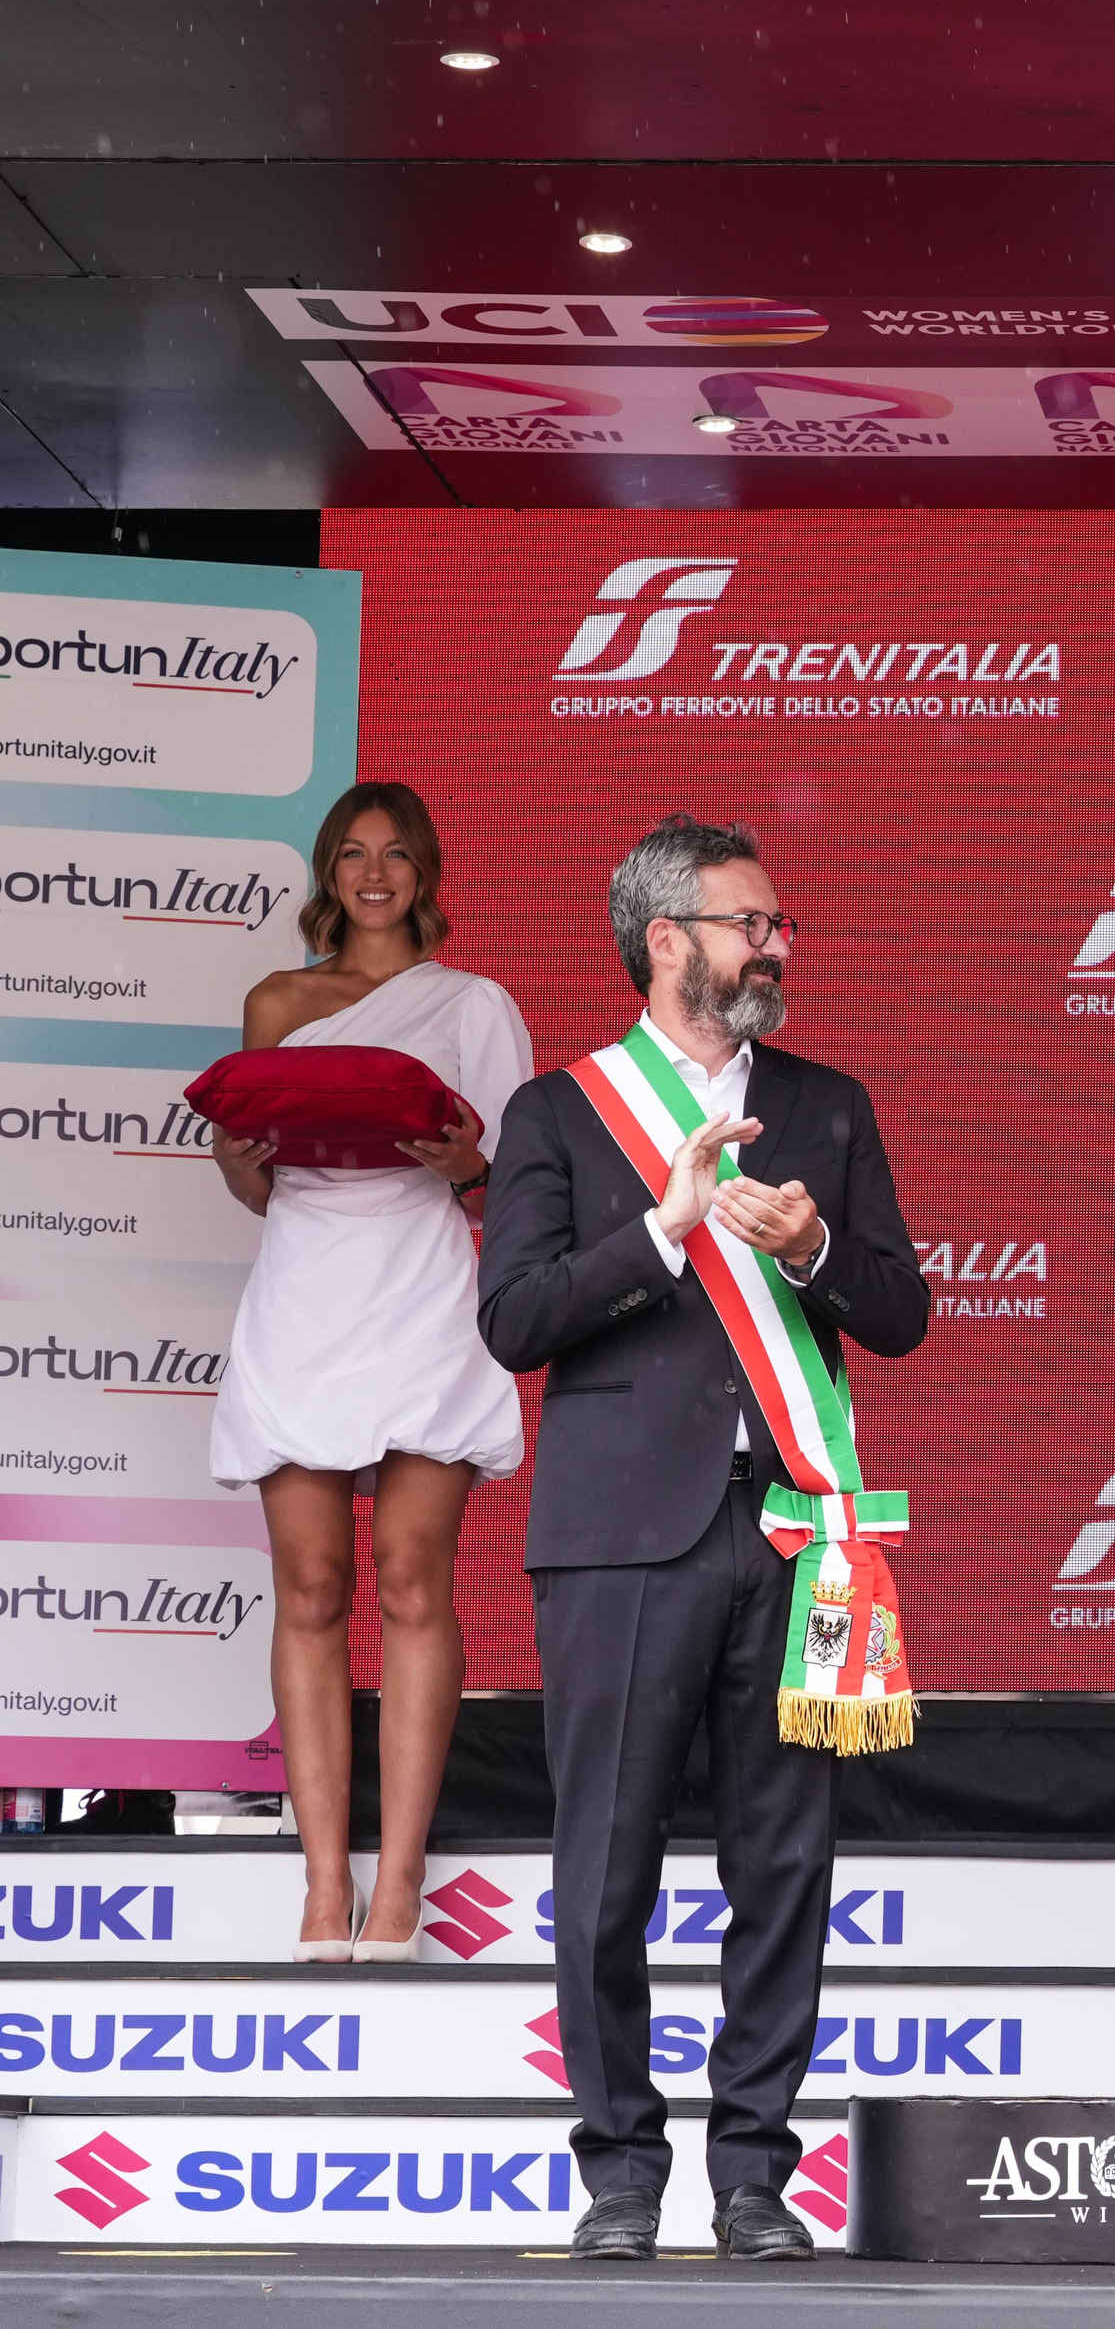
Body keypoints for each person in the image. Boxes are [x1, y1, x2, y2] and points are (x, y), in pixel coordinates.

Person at [477, 814, 926, 2263]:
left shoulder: (825, 1105)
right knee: (606, 1865)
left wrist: (811, 1250)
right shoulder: (559, 1112)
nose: (774, 946)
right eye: (749, 924)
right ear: (665, 938)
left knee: (784, 1866)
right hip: (618, 1539)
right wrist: (661, 1232)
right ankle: (619, 2176)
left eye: (778, 924)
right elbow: (513, 1320)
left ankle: (752, 2178)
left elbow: (902, 1313)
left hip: (797, 1535)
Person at [211, 781, 530, 1963]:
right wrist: (237, 1162)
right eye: (353, 853)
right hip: (304, 1290)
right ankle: (321, 1884)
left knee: (409, 1579)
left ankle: (398, 1886)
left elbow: (512, 1189)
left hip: (421, 1294)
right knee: (308, 1585)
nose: (375, 872)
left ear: (425, 870)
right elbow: (258, 1185)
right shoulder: (277, 1000)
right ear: (327, 872)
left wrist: (467, 1164)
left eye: (395, 853)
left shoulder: (474, 1004)